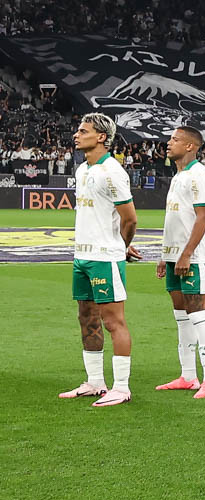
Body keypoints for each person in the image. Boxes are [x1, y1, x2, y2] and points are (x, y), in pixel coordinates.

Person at [59, 113, 143, 407]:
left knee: (113, 321)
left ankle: (121, 387)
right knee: (86, 317)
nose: (76, 135)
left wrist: (120, 247)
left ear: (101, 137)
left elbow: (130, 219)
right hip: (82, 256)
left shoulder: (112, 171)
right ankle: (95, 382)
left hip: (104, 258)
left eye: (83, 131)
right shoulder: (84, 169)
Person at [154, 125, 205, 399]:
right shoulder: (179, 176)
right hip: (174, 256)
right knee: (181, 316)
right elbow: (176, 220)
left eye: (175, 139)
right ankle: (188, 376)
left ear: (191, 146)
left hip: (194, 257)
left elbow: (202, 217)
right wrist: (165, 255)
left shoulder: (198, 175)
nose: (169, 143)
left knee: (197, 312)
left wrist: (186, 254)